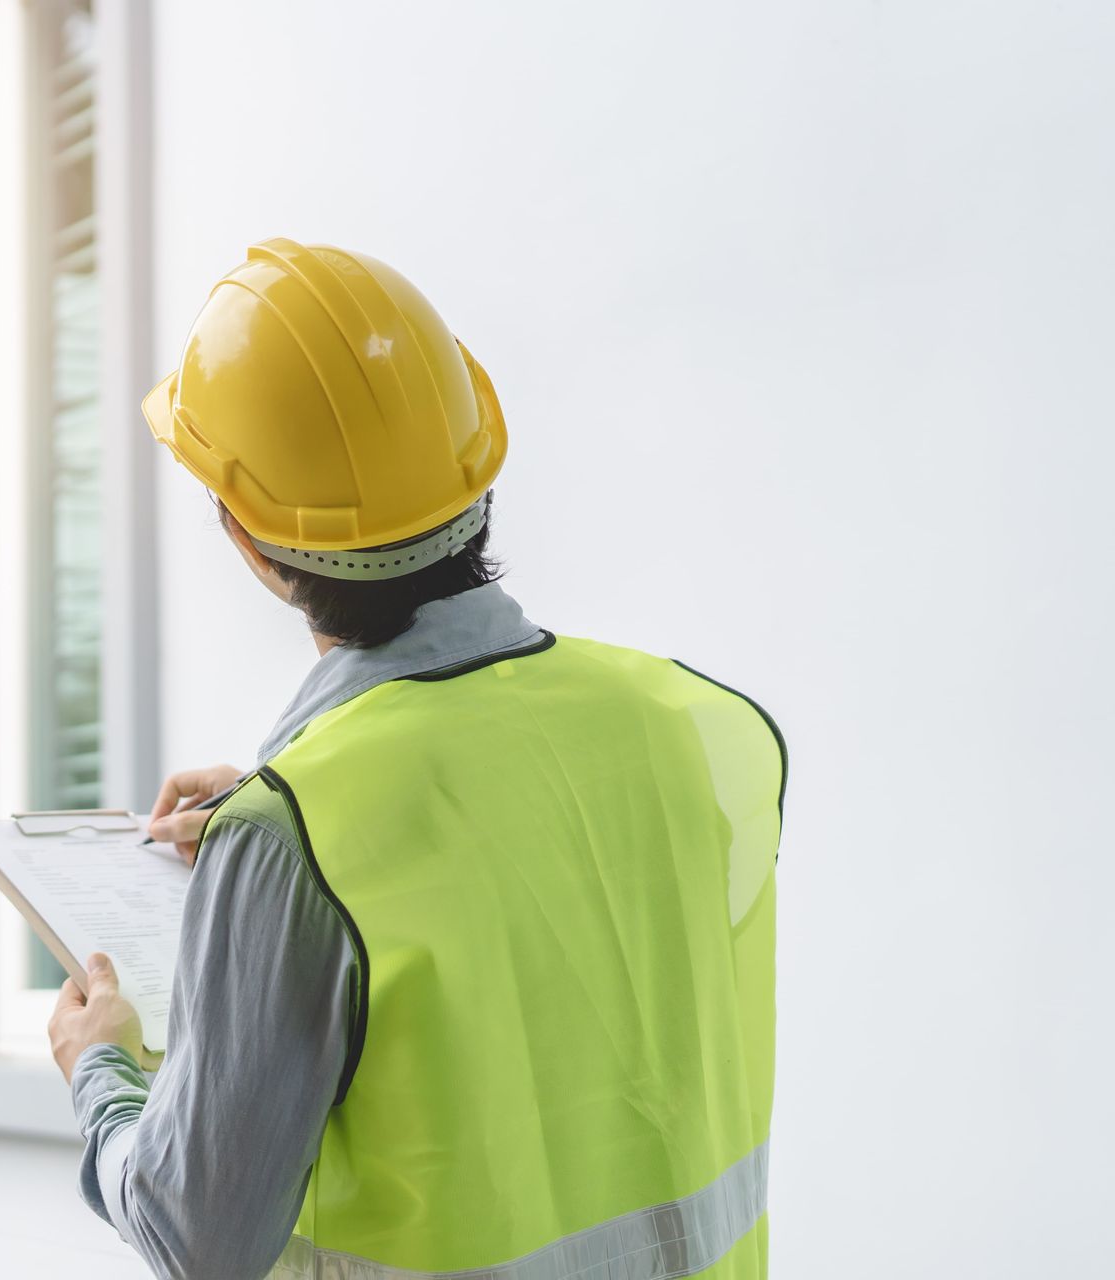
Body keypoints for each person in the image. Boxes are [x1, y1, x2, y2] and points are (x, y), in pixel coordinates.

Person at [47, 238, 784, 1280]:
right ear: (478, 465)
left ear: (249, 539)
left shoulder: (296, 837)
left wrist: (103, 1072)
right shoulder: (700, 723)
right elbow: (547, 929)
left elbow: (197, 1237)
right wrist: (291, 819)